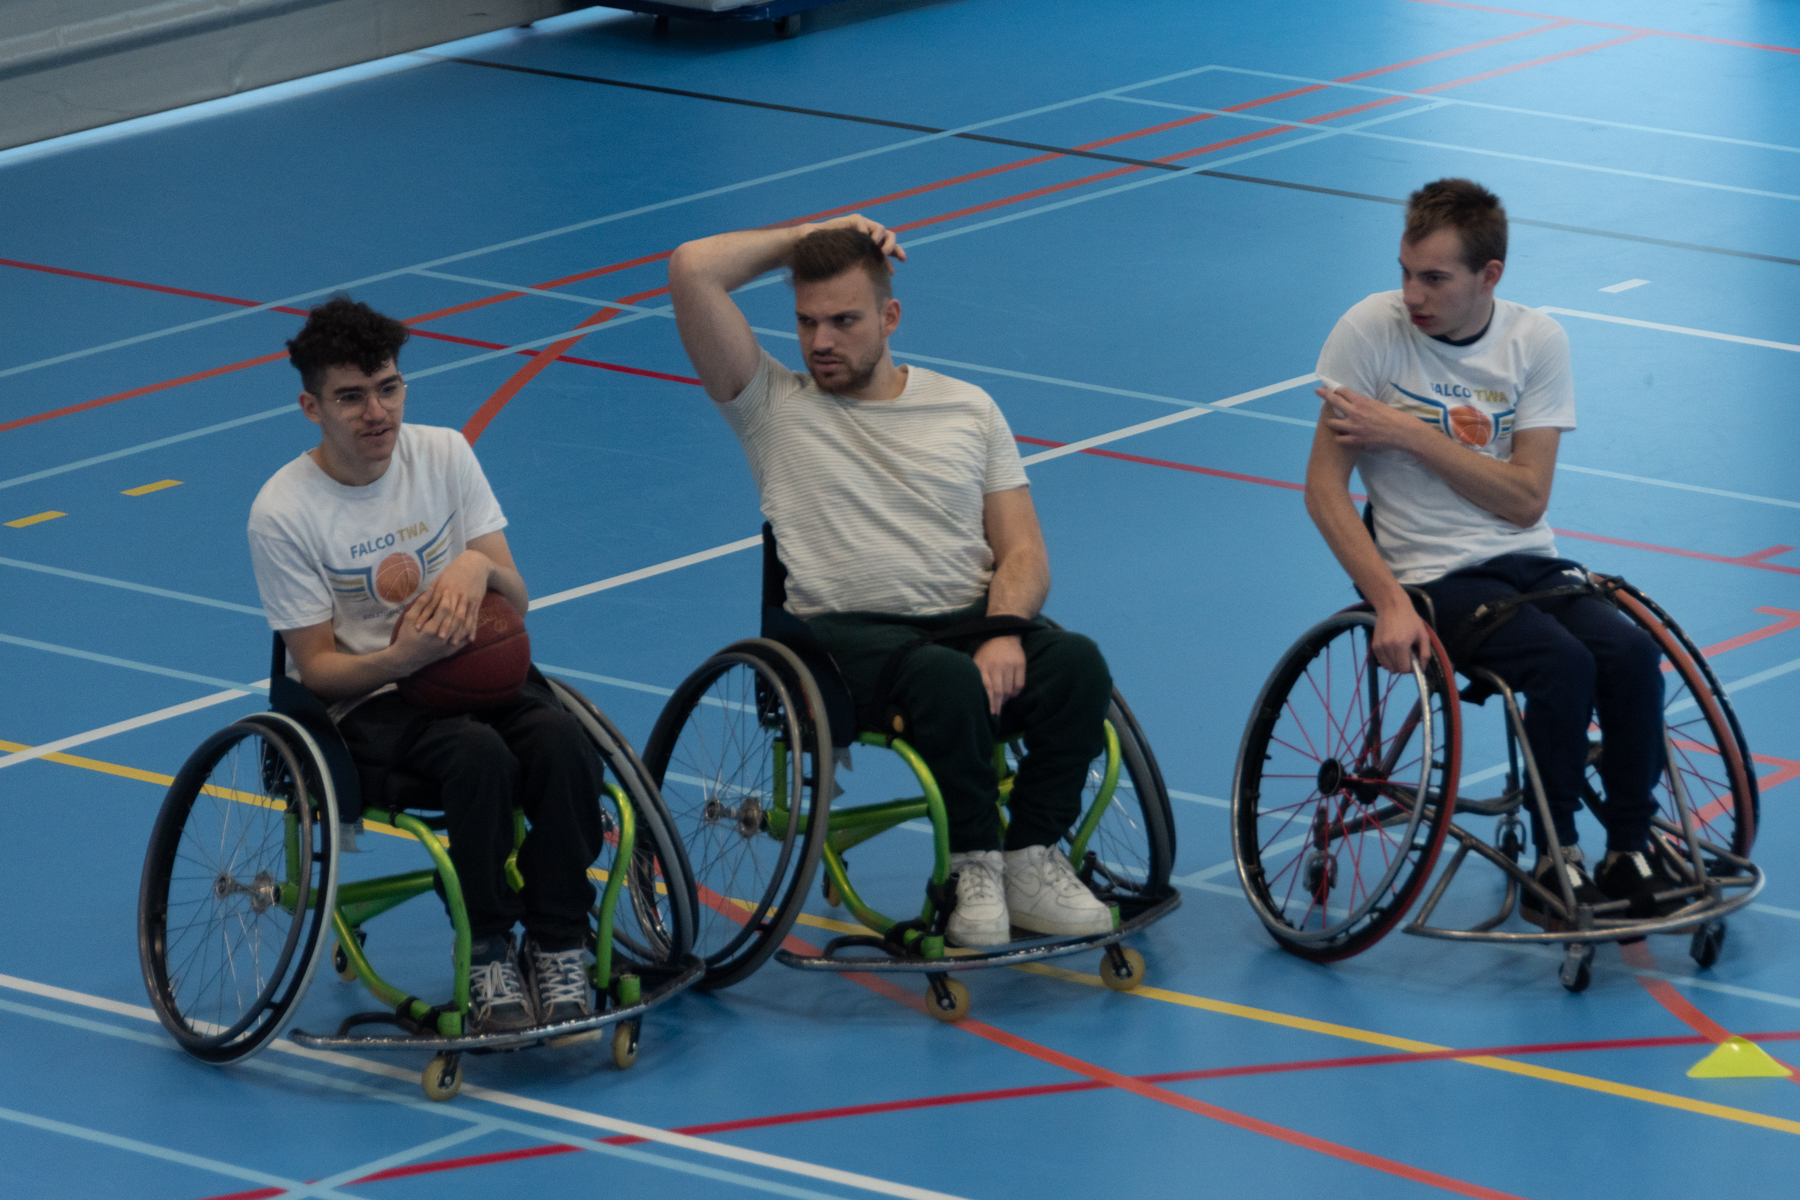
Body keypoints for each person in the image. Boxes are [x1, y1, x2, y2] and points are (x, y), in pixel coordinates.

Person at [668, 215, 1115, 948]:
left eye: (844, 320)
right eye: (807, 322)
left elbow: (1024, 549)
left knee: (1076, 665)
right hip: (846, 642)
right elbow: (692, 266)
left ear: (890, 316)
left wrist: (1004, 632)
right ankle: (973, 867)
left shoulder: (970, 409)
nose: (820, 342)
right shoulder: (772, 408)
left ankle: (1029, 856)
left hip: (970, 620)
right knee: (945, 681)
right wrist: (819, 233)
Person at [1303, 177, 1668, 924]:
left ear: (1489, 277)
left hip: (1529, 560)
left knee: (1631, 655)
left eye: (1434, 278)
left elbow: (1526, 498)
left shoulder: (1536, 341)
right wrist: (1389, 602)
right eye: (1405, 271)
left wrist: (1407, 432)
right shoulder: (1368, 332)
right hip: (1432, 575)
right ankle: (1554, 854)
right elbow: (1323, 492)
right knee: (1562, 667)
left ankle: (1630, 846)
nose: (1412, 294)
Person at [247, 296, 604, 1036]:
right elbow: (314, 669)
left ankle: (559, 939)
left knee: (568, 745)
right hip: (370, 704)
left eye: (388, 387)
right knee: (479, 760)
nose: (376, 412)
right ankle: (487, 952)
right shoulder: (283, 511)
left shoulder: (444, 454)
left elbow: (519, 596)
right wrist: (402, 657)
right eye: (350, 397)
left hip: (474, 672)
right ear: (311, 406)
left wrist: (476, 564)